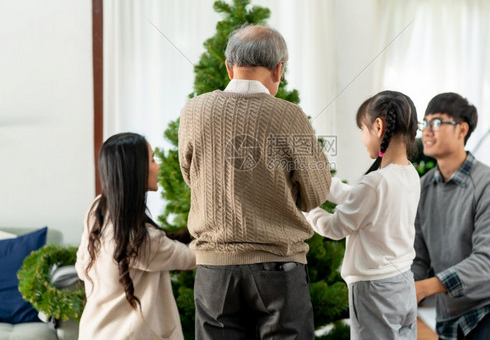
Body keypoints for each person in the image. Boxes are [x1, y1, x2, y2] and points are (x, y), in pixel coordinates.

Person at [178, 24, 331, 339]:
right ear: (279, 70)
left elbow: (190, 176)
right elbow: (315, 193)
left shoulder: (194, 111)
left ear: (229, 66)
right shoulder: (290, 116)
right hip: (279, 272)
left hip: (214, 271)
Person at [305, 90, 420, 340]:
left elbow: (335, 227)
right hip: (403, 284)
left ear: (378, 126)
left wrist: (306, 208)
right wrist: (319, 181)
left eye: (362, 129)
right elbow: (360, 199)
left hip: (373, 290)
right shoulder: (409, 174)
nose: (361, 137)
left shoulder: (375, 182)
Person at [413, 93, 490, 339]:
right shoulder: (421, 189)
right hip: (450, 314)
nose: (427, 131)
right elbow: (418, 258)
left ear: (461, 129)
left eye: (436, 122)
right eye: (425, 123)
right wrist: (402, 292)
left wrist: (423, 288)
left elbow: (486, 261)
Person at [76, 133, 196, 340]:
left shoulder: (97, 211)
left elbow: (81, 266)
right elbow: (194, 258)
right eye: (152, 160)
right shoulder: (143, 240)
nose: (158, 167)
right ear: (136, 171)